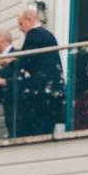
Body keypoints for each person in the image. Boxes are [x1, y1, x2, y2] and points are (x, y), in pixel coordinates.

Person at [13, 8, 64, 137]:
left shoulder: (34, 34)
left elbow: (26, 61)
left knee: (35, 133)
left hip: (40, 93)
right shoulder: (48, 35)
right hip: (52, 94)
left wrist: (11, 60)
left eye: (21, 23)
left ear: (29, 19)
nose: (20, 28)